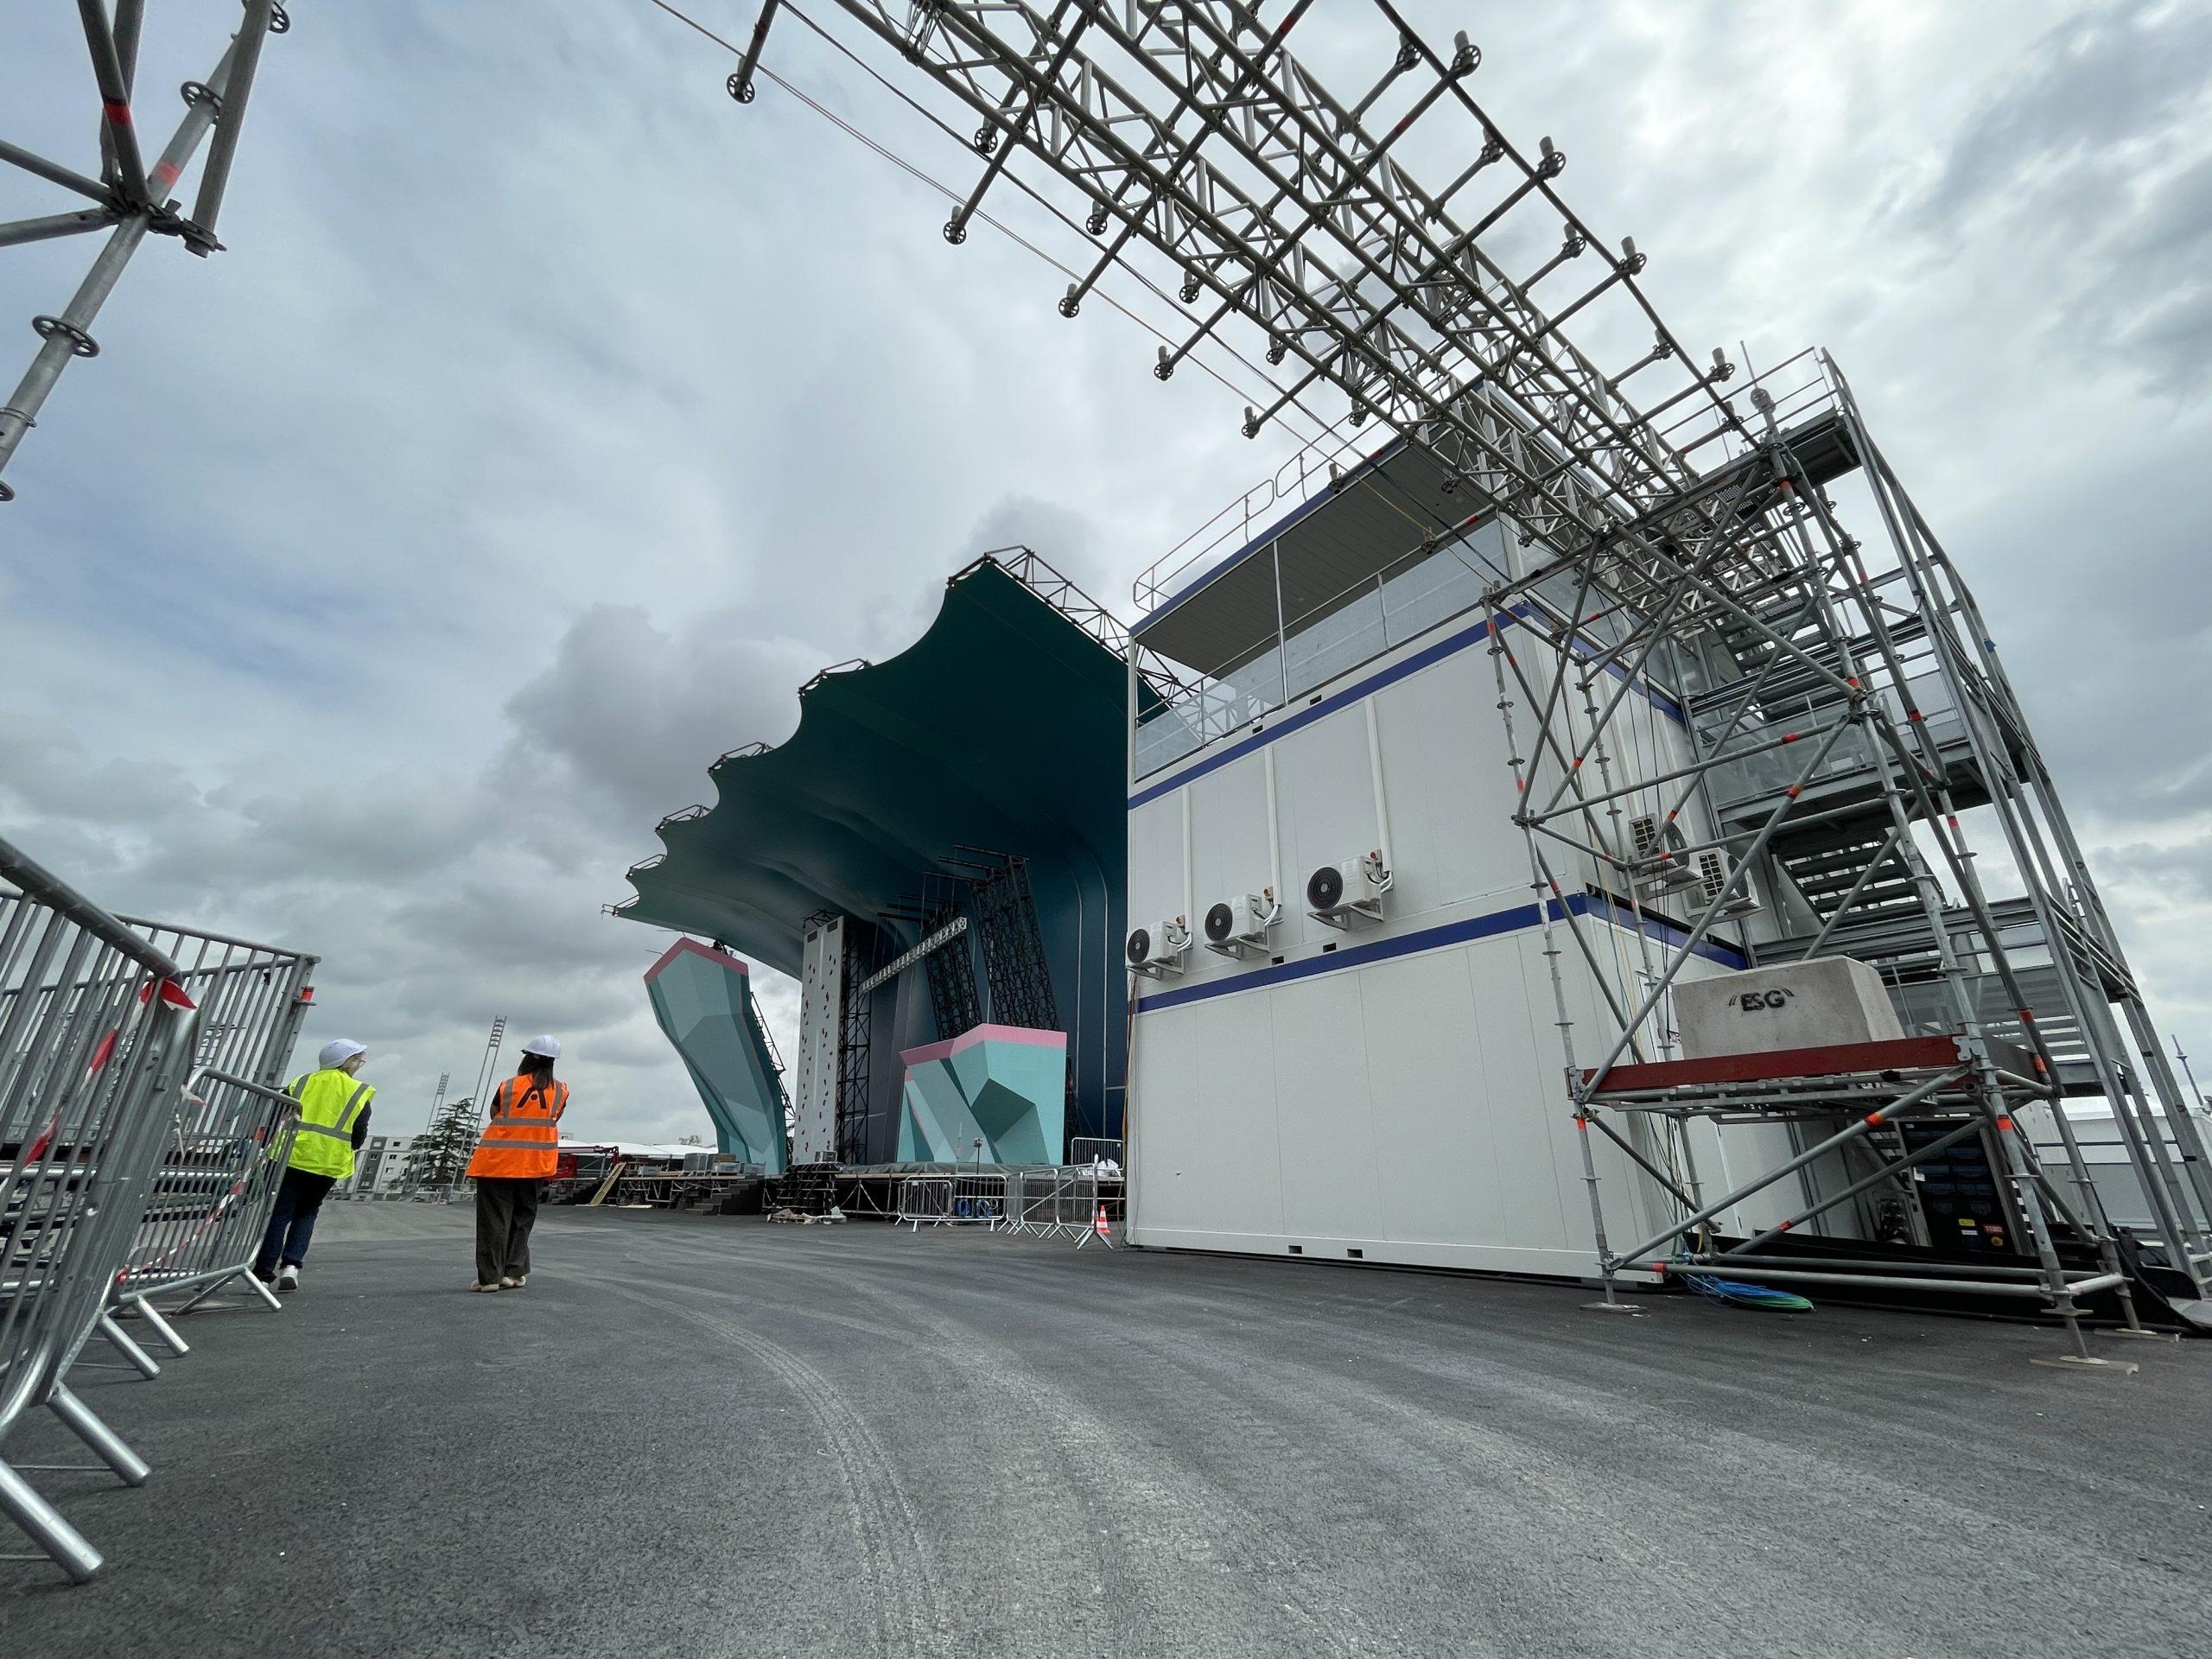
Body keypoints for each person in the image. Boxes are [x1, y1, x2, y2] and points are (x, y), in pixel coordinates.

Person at [253, 1038, 376, 1293]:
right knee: (307, 1213)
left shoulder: (301, 1082)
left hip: (290, 1156)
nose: (359, 1065)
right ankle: (291, 1266)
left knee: (279, 1214)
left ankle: (263, 1274)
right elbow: (359, 1132)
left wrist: (267, 1143)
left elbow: (277, 1114)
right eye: (357, 1060)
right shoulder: (359, 1091)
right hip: (328, 1163)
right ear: (346, 1062)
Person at [466, 1034, 569, 1291]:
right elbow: (554, 1118)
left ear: (527, 1058)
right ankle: (513, 1272)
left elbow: (494, 1114)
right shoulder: (561, 1091)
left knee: (494, 1220)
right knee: (523, 1219)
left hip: (497, 1163)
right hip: (534, 1165)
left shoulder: (508, 1086)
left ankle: (489, 1278)